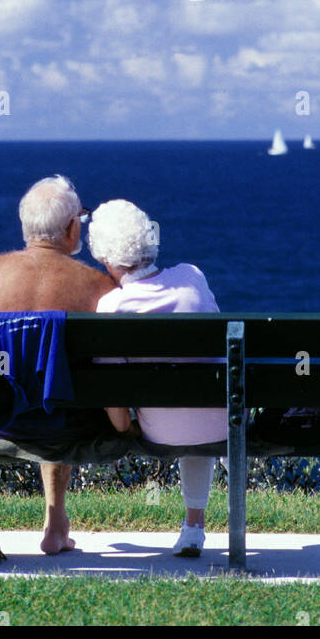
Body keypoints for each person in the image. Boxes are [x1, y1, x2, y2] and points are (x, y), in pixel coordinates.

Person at [0, 174, 131, 554]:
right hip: (70, 421)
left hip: (2, 418)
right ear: (72, 228)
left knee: (36, 383)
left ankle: (56, 521)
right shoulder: (101, 287)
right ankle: (55, 523)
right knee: (55, 387)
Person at [89, 199, 228, 558]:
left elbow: (112, 393)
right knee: (198, 400)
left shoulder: (113, 307)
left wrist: (125, 429)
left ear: (105, 258)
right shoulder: (192, 276)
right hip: (221, 423)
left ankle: (193, 528)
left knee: (178, 409)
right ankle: (194, 526)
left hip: (161, 433)